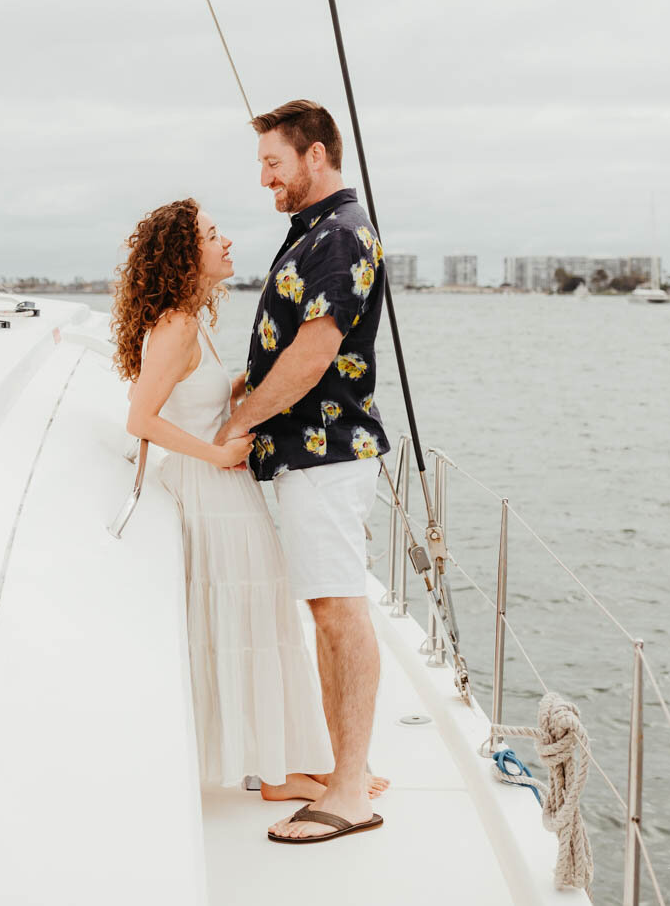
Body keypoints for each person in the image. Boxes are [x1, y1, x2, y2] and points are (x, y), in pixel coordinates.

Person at [114, 198, 339, 802]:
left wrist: (263, 374)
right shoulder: (177, 325)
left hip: (227, 491)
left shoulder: (194, 319)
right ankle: (274, 775)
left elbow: (200, 392)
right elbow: (141, 417)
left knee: (260, 619)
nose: (227, 242)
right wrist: (215, 455)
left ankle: (280, 762)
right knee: (249, 622)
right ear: (188, 255)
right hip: (211, 493)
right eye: (214, 235)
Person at [216, 98, 389, 844]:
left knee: (340, 612)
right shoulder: (317, 233)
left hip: (325, 452)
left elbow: (314, 354)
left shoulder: (340, 236)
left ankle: (349, 791)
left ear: (315, 155)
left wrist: (240, 420)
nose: (264, 178)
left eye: (272, 162)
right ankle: (338, 768)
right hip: (312, 455)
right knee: (327, 609)